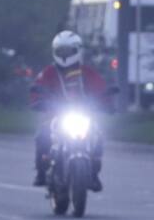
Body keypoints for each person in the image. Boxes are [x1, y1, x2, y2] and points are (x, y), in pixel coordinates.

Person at [29, 31, 111, 191]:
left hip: (83, 114)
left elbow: (101, 87)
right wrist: (38, 100)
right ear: (54, 52)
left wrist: (107, 102)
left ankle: (94, 173)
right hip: (56, 115)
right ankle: (41, 172)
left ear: (78, 51)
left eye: (69, 51)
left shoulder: (87, 72)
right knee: (42, 135)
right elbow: (38, 86)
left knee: (98, 135)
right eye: (61, 51)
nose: (65, 55)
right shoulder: (49, 72)